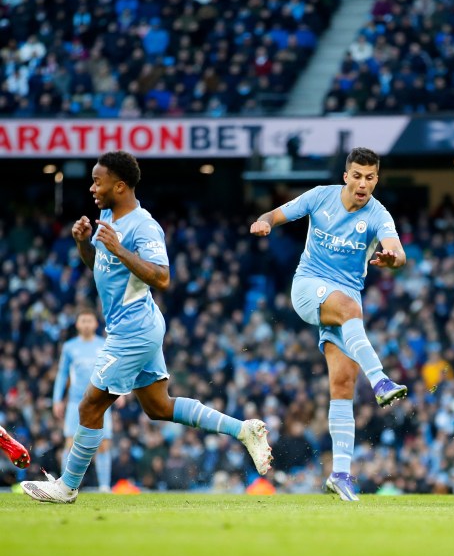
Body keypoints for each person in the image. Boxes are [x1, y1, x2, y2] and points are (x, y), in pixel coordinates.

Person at [22, 151, 273, 504]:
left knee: (90, 406)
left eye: (98, 181)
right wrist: (83, 242)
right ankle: (243, 429)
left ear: (120, 186)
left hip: (134, 328)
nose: (93, 188)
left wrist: (119, 248)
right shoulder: (107, 216)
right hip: (135, 323)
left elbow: (163, 276)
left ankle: (66, 487)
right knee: (158, 407)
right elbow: (101, 267)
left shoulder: (143, 226)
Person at [250, 146, 408, 502]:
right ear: (346, 176)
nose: (363, 183)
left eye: (370, 177)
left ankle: (339, 474)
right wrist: (264, 222)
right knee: (351, 310)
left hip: (346, 299)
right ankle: (381, 380)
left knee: (342, 383)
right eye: (357, 176)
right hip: (309, 286)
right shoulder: (320, 197)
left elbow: (397, 250)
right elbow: (276, 214)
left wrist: (392, 258)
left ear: (376, 179)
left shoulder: (379, 214)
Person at [53, 308, 112, 492]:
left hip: (100, 400)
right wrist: (57, 399)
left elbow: (111, 371)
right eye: (83, 321)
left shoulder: (105, 344)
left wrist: (120, 394)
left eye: (90, 321)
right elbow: (62, 374)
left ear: (96, 323)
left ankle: (104, 486)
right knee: (70, 443)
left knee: (104, 444)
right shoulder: (69, 347)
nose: (86, 324)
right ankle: (66, 484)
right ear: (77, 324)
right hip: (75, 402)